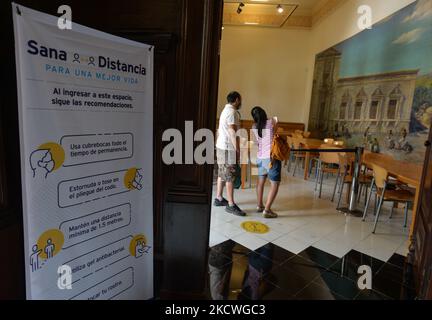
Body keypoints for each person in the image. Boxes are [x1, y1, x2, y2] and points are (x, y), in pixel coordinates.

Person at [214, 91, 245, 216]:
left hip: (221, 146)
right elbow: (232, 132)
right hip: (227, 148)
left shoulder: (225, 110)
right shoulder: (232, 112)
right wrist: (237, 149)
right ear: (236, 99)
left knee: (222, 173)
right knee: (230, 175)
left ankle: (219, 198)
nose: (241, 102)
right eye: (240, 100)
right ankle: (231, 205)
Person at [251, 107, 280, 218]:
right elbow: (276, 133)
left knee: (260, 181)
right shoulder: (272, 121)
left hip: (260, 157)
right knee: (275, 183)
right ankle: (267, 210)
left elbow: (255, 143)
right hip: (271, 157)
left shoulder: (254, 126)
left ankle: (259, 205)